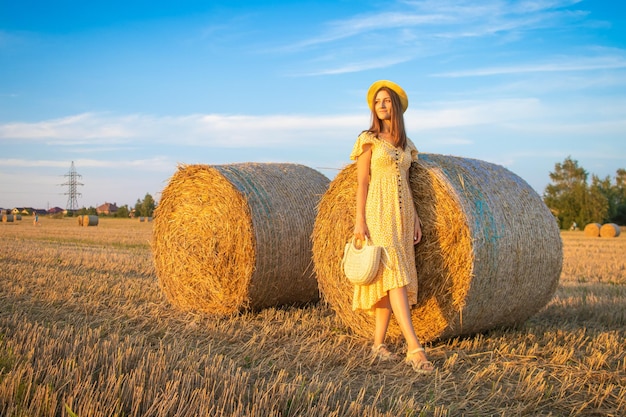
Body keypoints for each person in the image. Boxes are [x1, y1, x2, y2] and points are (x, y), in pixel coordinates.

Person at [350, 80, 434, 374]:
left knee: (389, 280)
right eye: (377, 102)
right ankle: (414, 347)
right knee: (396, 275)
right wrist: (359, 220)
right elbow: (362, 182)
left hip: (403, 216)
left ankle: (378, 344)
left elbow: (408, 184)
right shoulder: (368, 140)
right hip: (378, 212)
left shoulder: (406, 145)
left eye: (386, 101)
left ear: (395, 107)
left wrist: (416, 217)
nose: (382, 106)